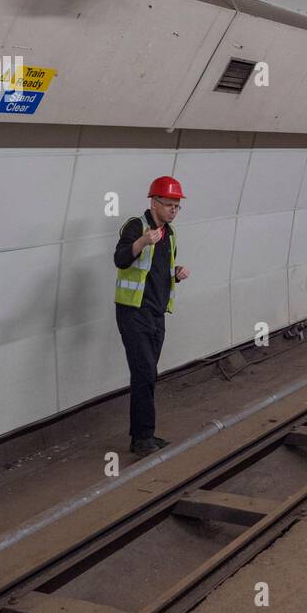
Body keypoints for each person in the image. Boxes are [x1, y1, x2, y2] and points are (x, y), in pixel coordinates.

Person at [114, 176, 191, 456]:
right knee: (144, 371)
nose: (173, 210)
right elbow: (120, 259)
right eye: (169, 204)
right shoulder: (136, 226)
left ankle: (144, 435)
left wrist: (177, 273)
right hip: (133, 312)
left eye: (177, 206)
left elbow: (158, 271)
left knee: (149, 374)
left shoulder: (170, 234)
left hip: (157, 313)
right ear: (154, 202)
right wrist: (143, 242)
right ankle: (142, 439)